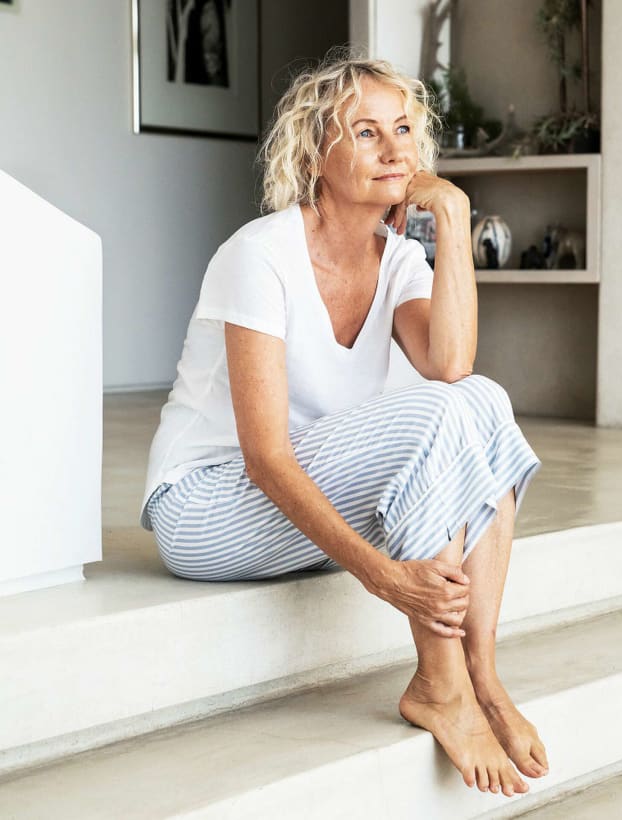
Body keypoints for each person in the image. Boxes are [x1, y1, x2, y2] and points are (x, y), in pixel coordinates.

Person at [139, 51, 548, 798]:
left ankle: (480, 675)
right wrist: (387, 578)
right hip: (205, 505)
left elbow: (452, 364)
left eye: (403, 129)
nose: (395, 149)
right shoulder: (258, 256)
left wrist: (453, 216)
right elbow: (266, 458)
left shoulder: (399, 259)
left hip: (297, 503)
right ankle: (439, 687)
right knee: (441, 410)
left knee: (481, 398)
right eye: (366, 132)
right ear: (313, 156)